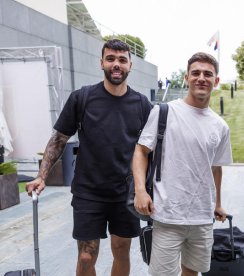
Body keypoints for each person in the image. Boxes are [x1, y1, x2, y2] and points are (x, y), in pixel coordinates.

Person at [25, 39, 152, 276]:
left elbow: (148, 150)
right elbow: (59, 139)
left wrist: (145, 189)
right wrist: (42, 176)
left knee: (121, 249)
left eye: (122, 60)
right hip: (88, 192)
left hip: (125, 193)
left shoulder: (142, 105)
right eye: (111, 58)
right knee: (86, 255)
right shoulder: (82, 98)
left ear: (130, 66)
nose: (116, 64)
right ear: (101, 62)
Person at [132, 52, 233, 276]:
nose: (201, 78)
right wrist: (140, 190)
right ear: (186, 78)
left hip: (202, 217)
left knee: (192, 273)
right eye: (195, 73)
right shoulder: (164, 112)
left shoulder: (220, 126)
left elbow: (215, 168)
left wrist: (217, 203)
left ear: (216, 81)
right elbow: (141, 151)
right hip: (167, 213)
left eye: (208, 74)